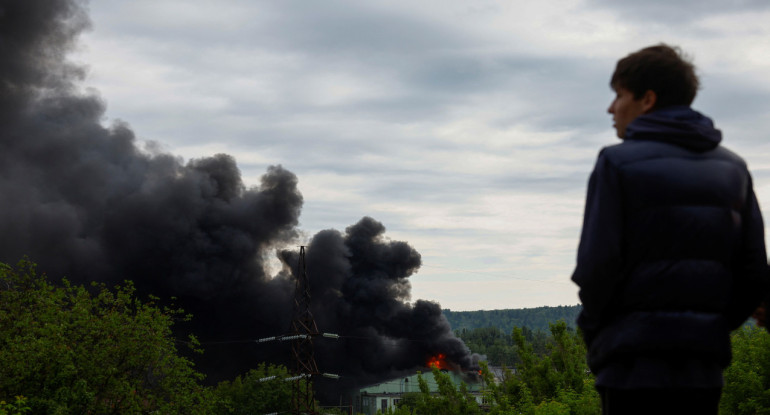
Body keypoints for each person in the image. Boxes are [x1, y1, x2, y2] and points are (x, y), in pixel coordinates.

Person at [571, 44, 769, 414]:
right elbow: (755, 274)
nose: (611, 108)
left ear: (648, 99)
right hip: (702, 369)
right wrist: (709, 330)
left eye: (619, 95)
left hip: (630, 367)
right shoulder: (733, 168)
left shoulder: (616, 163)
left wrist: (600, 338)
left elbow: (596, 268)